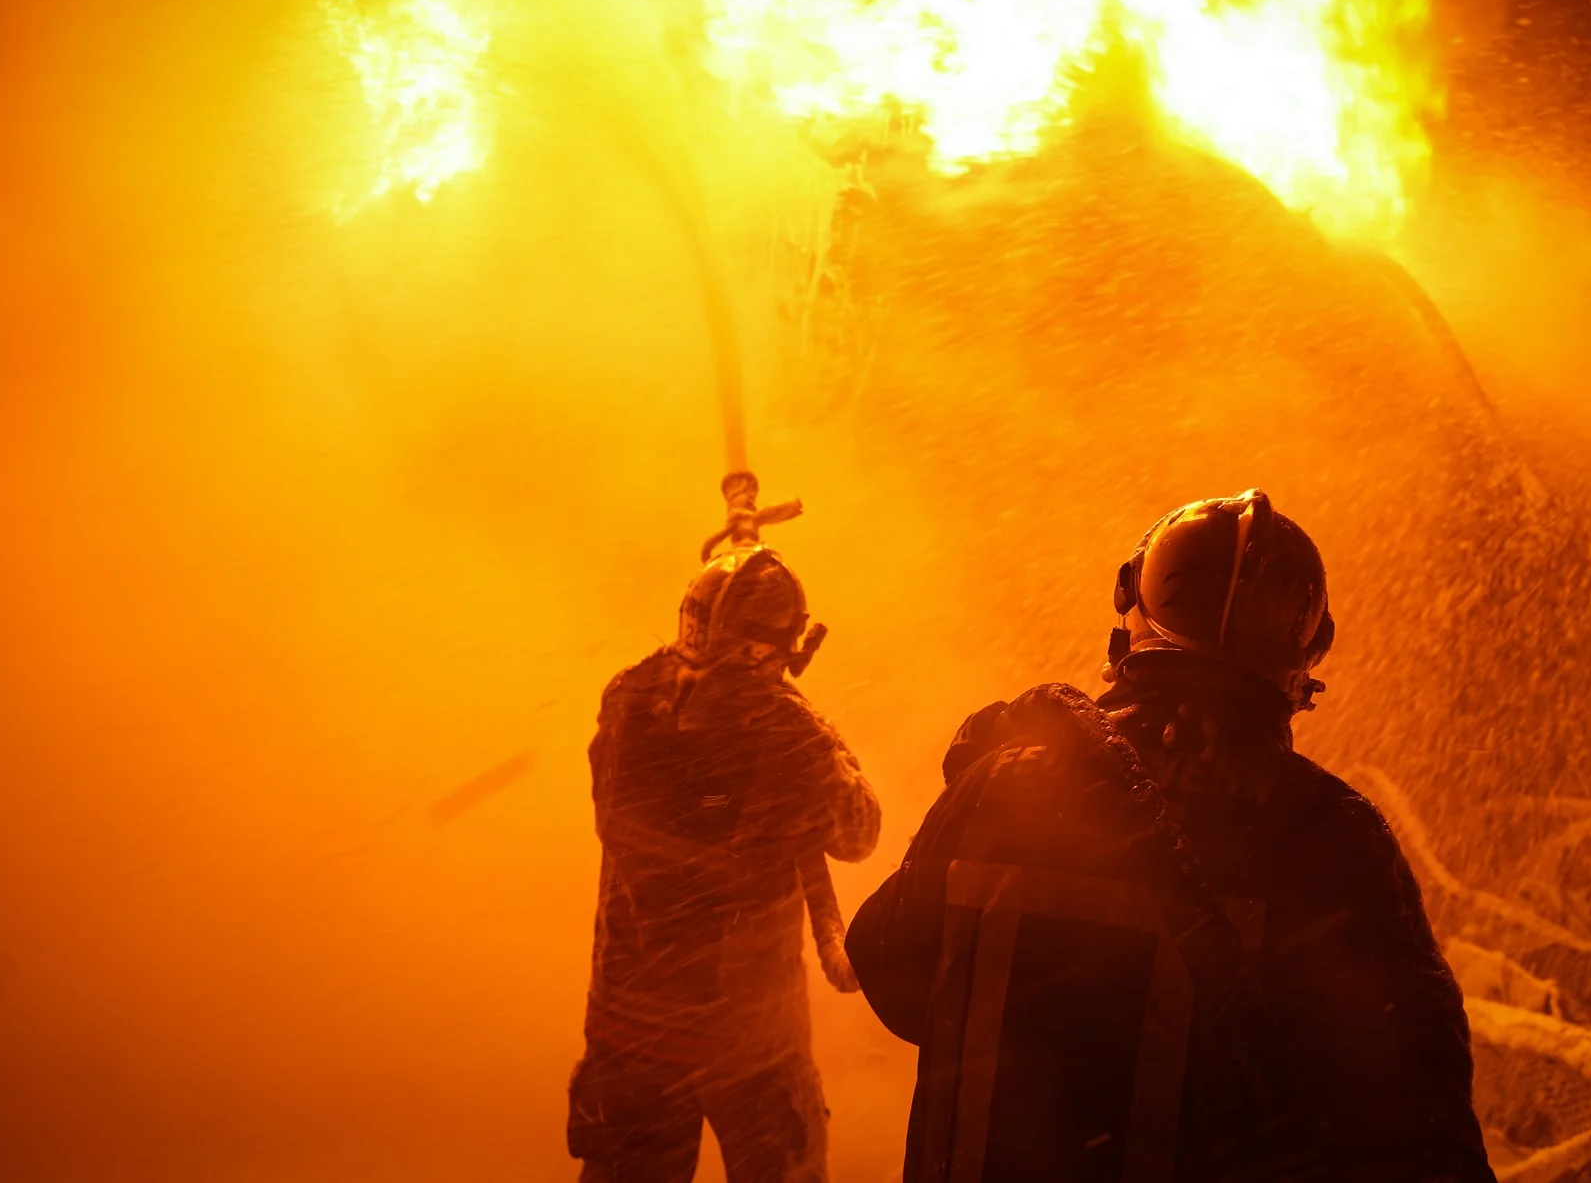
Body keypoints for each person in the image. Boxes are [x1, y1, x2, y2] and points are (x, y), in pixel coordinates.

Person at [845, 490, 1494, 1183]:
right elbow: (1418, 1114)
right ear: (1304, 659)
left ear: (1132, 617)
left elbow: (889, 971)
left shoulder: (1007, 785)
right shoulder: (1328, 836)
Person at [569, 538, 882, 1183]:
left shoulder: (627, 700)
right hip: (749, 1043)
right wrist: (801, 718)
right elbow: (860, 833)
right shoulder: (787, 735)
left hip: (631, 1032)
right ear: (772, 648)